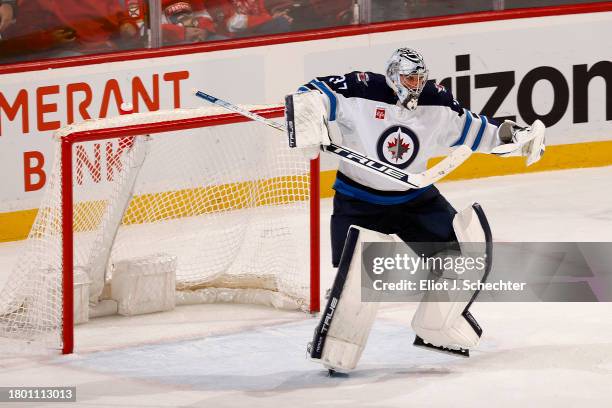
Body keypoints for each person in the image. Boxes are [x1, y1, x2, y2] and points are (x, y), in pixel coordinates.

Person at [286, 48, 545, 373]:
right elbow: (314, 93)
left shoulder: (435, 102)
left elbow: (477, 129)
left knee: (467, 255)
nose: (416, 85)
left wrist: (516, 137)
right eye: (410, 78)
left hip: (414, 201)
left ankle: (437, 327)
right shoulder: (361, 88)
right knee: (354, 284)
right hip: (358, 201)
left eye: (420, 78)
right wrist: (310, 120)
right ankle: (337, 348)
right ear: (394, 74)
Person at [206, 0, 293, 38]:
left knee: (283, 21)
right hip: (232, 35)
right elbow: (232, 23)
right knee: (281, 23)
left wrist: (275, 18)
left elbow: (262, 13)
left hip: (254, 29)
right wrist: (269, 18)